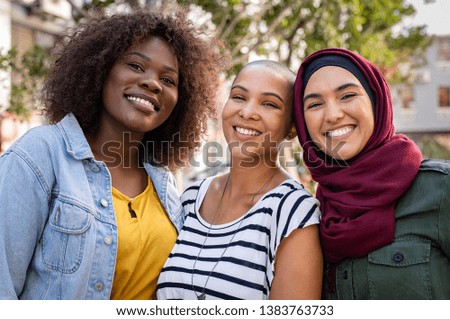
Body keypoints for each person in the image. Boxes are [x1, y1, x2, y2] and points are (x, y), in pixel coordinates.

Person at [0, 8, 226, 299]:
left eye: (168, 80)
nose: (152, 83)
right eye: (135, 65)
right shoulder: (41, 155)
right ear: (101, 69)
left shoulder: (164, 185)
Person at [156, 60, 323, 300]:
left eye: (269, 104)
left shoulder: (294, 211)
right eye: (239, 97)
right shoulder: (192, 197)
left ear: (293, 128)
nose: (247, 112)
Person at [293, 47, 450, 299]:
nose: (333, 114)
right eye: (314, 104)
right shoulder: (310, 216)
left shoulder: (440, 190)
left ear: (376, 101)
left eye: (347, 96)